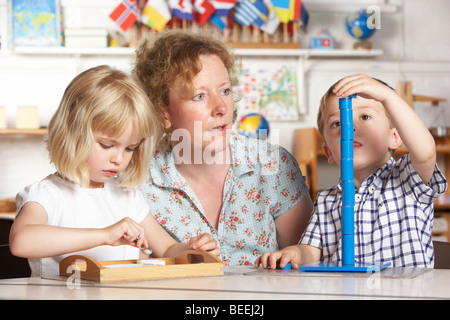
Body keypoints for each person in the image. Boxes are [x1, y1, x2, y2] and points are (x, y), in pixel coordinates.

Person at [9, 65, 218, 278]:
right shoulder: (47, 195)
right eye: (107, 145)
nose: (118, 159)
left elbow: (167, 249)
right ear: (72, 132)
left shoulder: (127, 195)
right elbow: (21, 241)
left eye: (129, 148)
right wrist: (104, 235)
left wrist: (193, 251)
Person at [133, 30, 313, 266]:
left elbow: (308, 262)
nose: (221, 108)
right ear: (162, 113)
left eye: (225, 91)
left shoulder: (273, 164)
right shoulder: (138, 180)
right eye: (199, 96)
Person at [256, 74, 448, 269]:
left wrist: (387, 97)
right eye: (336, 124)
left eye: (365, 117)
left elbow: (425, 152)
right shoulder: (326, 201)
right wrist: (294, 253)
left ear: (395, 137)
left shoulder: (407, 179)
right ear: (329, 152)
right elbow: (312, 250)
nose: (350, 127)